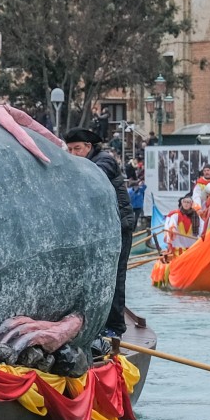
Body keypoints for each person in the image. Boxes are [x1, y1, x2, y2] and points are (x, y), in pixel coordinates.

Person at [64, 128, 133, 338]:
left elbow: (93, 177)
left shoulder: (105, 161)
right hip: (101, 230)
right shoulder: (85, 161)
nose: (73, 153)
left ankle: (116, 327)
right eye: (69, 150)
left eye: (77, 148)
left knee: (114, 277)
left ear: (88, 147)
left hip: (119, 227)